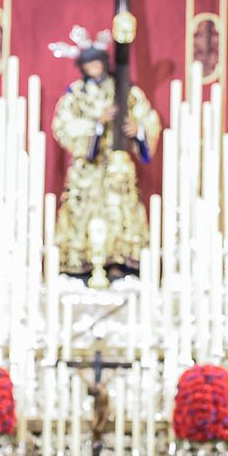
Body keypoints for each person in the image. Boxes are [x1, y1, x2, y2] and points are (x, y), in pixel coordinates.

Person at [49, 32, 161, 277]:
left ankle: (119, 262)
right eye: (89, 64)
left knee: (120, 212)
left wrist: (138, 129)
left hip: (116, 166)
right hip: (87, 170)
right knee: (81, 215)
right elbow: (63, 125)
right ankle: (81, 264)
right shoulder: (75, 94)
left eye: (98, 63)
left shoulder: (124, 89)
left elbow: (147, 117)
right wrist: (96, 125)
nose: (94, 68)